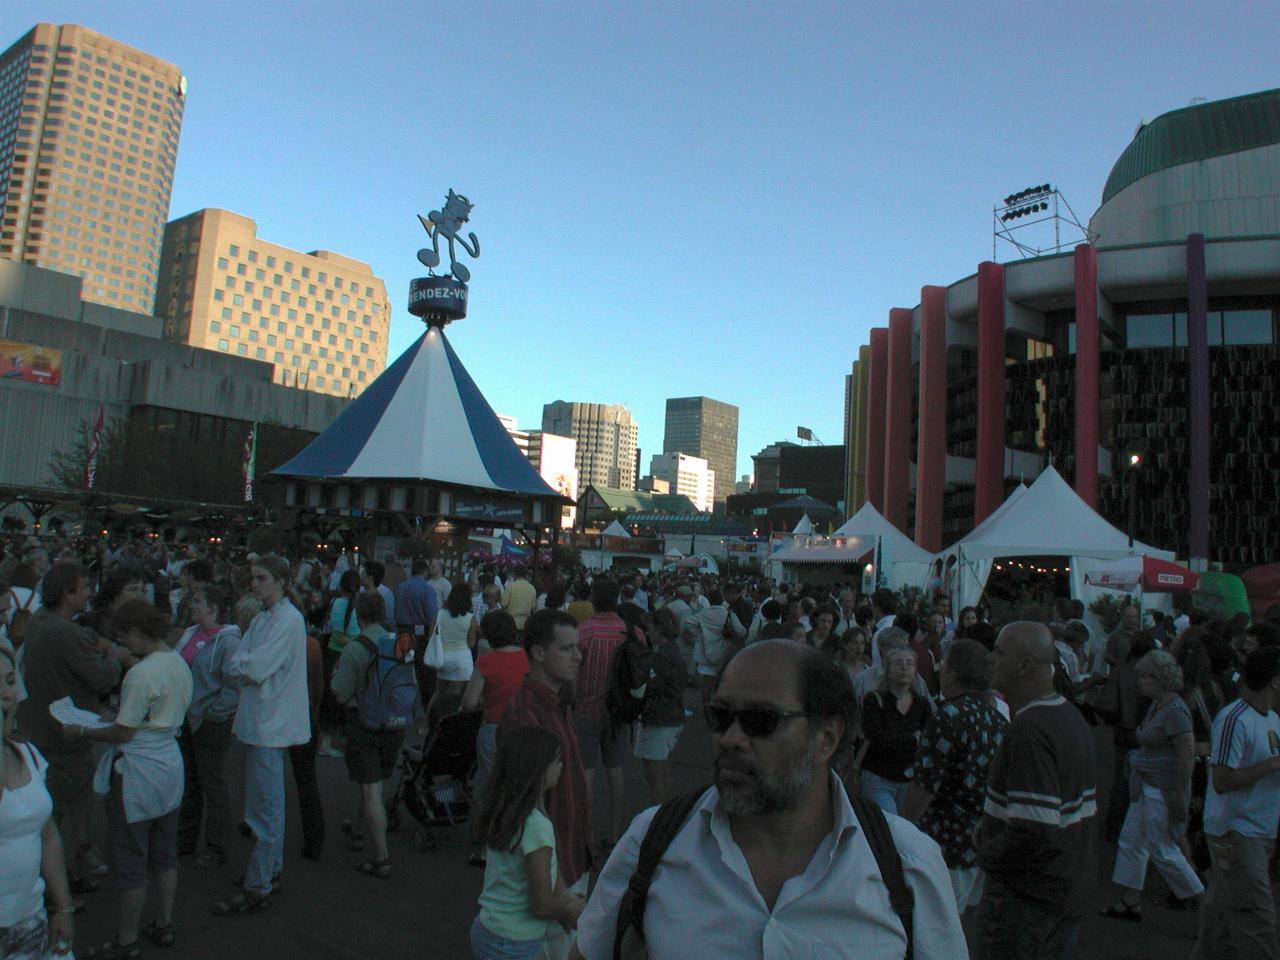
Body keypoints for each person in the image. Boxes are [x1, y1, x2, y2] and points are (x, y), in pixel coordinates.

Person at [569, 639, 966, 960]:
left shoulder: (905, 864)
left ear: (826, 738)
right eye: (720, 717)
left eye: (762, 721)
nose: (732, 739)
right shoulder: (652, 840)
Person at [63, 599, 192, 958]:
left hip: (139, 770)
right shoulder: (179, 663)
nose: (123, 646)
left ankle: (126, 938)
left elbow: (124, 733)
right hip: (169, 763)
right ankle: (164, 923)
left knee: (132, 857)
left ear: (136, 633)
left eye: (124, 638)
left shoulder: (141, 674)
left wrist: (85, 731)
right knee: (165, 852)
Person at [972, 621, 1098, 960]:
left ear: (1025, 665)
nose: (991, 660)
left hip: (1026, 898)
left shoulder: (1031, 728)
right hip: (1062, 889)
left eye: (999, 653)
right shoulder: (1068, 716)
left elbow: (1034, 829)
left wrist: (988, 855)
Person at [17, 562, 131, 894]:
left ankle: (59, 875)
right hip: (68, 737)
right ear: (68, 593)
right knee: (64, 816)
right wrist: (116, 657)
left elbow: (82, 636)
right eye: (83, 587)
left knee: (54, 813)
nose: (89, 593)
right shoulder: (65, 633)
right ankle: (61, 883)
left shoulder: (41, 622)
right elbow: (102, 678)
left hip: (39, 729)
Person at [214, 555, 310, 915]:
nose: (253, 584)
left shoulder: (286, 620)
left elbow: (251, 665)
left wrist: (243, 664)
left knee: (263, 811)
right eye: (252, 577)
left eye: (261, 578)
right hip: (262, 723)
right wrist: (245, 663)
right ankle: (269, 872)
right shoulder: (270, 618)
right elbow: (242, 660)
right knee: (267, 807)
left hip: (269, 724)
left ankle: (259, 885)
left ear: (281, 581)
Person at [497, 609, 590, 960]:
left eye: (577, 648)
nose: (578, 656)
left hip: (571, 855)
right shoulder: (526, 715)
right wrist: (558, 893)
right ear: (538, 653)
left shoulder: (559, 701)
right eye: (566, 649)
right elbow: (523, 808)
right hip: (554, 868)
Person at [901, 638, 1008, 916]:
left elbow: (924, 786)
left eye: (944, 667)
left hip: (942, 845)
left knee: (929, 926)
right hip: (977, 844)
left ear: (952, 673)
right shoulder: (998, 719)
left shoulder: (948, 716)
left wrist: (902, 833)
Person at [1192, 645, 1280, 959]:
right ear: (1275, 681)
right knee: (1257, 921)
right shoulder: (1234, 718)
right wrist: (1271, 765)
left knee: (1221, 924)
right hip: (1237, 833)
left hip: (1257, 833)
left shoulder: (1271, 719)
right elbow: (1222, 780)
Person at [1101, 649, 1203, 919]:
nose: (1140, 682)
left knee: (1162, 849)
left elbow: (1186, 755)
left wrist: (1179, 796)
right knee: (1132, 841)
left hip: (1161, 788)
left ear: (1159, 679)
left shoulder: (1174, 711)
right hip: (1147, 785)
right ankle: (1130, 899)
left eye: (1145, 677)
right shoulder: (1160, 707)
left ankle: (1205, 903)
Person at [470, 726, 586, 960]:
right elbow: (541, 905)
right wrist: (570, 908)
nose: (561, 766)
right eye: (556, 761)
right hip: (514, 942)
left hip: (489, 929)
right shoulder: (536, 827)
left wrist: (567, 901)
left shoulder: (506, 811)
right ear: (539, 770)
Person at [0, 645, 76, 959]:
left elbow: (47, 835)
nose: (6, 694)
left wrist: (64, 906)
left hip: (31, 920)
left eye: (8, 680)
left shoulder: (30, 756)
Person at [330, 591, 404, 879]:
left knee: (371, 789)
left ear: (359, 616)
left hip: (364, 723)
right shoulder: (398, 641)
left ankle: (381, 856)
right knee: (372, 783)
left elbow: (339, 691)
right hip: (395, 722)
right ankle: (359, 830)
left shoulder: (356, 648)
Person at [175, 584, 241, 868]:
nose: (192, 606)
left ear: (213, 608)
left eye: (198, 602)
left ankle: (217, 846)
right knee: (190, 781)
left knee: (212, 782)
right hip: (187, 718)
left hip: (210, 722)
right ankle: (185, 839)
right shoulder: (190, 634)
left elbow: (233, 684)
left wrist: (215, 712)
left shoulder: (228, 642)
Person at [462, 610, 529, 867]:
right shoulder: (526, 658)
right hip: (522, 727)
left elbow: (469, 702)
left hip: (493, 726)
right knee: (510, 785)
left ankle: (489, 843)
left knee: (489, 787)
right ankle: (508, 837)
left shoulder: (486, 662)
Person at [573, 578, 629, 848]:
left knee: (586, 773)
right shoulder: (628, 631)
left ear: (593, 598)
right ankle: (616, 832)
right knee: (616, 772)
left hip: (586, 708)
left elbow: (573, 672)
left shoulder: (584, 632)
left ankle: (587, 834)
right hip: (618, 712)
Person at [858, 646, 932, 815]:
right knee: (889, 826)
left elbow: (928, 738)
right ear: (888, 669)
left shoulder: (921, 704)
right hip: (879, 777)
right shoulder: (875, 700)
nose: (904, 667)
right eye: (898, 663)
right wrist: (912, 739)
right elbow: (875, 735)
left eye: (909, 663)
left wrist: (899, 737)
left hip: (910, 780)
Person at [633, 606, 686, 804]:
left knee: (654, 776)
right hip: (674, 716)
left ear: (659, 628)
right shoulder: (673, 652)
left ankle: (658, 818)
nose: (647, 631)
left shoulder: (660, 657)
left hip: (660, 718)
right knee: (663, 772)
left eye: (650, 627)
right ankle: (667, 813)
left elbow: (646, 690)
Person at [320, 568, 362, 759]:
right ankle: (349, 739)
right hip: (353, 656)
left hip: (333, 654)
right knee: (352, 699)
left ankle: (325, 741)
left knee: (330, 698)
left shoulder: (336, 603)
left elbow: (337, 635)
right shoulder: (361, 605)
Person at [396, 558, 439, 716]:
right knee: (425, 675)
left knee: (404, 670)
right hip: (420, 636)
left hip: (403, 633)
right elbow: (432, 618)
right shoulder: (427, 590)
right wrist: (431, 639)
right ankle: (426, 711)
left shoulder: (401, 587)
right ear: (425, 571)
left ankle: (402, 707)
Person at [433, 581, 477, 709]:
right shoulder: (470, 617)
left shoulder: (441, 614)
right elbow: (471, 643)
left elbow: (433, 636)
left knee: (438, 693)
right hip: (462, 660)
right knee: (456, 695)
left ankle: (427, 723)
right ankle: (450, 722)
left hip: (443, 659)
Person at [502, 566, 537, 633]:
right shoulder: (532, 588)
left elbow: (504, 604)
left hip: (511, 622)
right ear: (525, 575)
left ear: (514, 574)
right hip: (526, 623)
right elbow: (533, 607)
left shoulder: (511, 586)